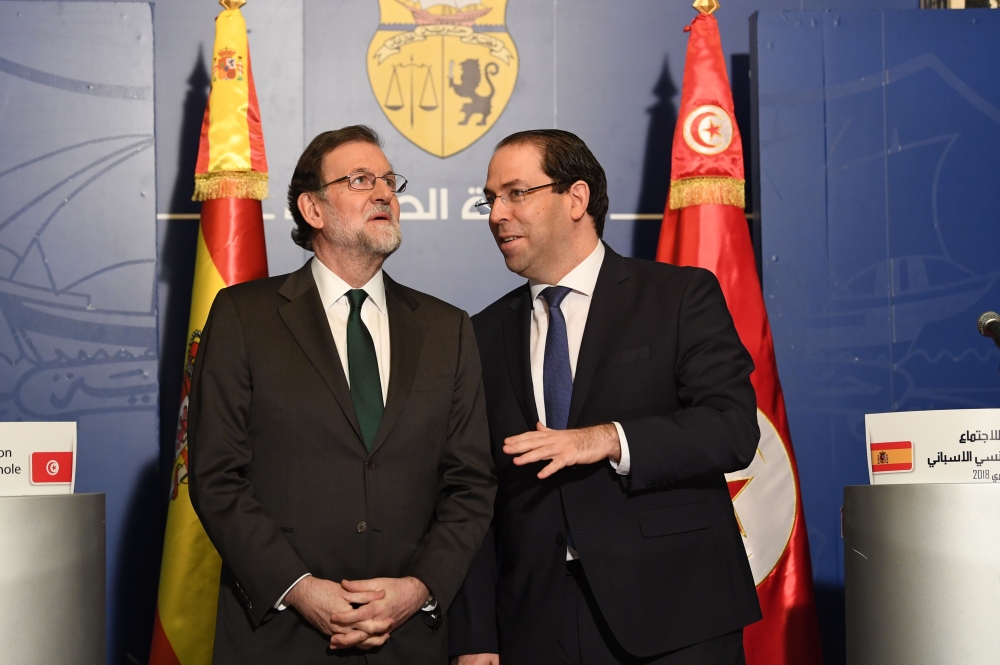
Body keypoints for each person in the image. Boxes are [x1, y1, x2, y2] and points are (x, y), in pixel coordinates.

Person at [448, 129, 762, 665]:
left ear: (576, 198)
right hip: (535, 622)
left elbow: (732, 429)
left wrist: (607, 440)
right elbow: (473, 491)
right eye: (490, 199)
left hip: (674, 611)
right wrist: (476, 636)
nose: (496, 214)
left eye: (515, 193)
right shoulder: (479, 334)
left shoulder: (679, 297)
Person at [189, 125, 495, 664]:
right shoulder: (243, 316)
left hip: (408, 641)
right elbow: (216, 476)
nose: (384, 194)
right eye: (359, 180)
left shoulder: (448, 328)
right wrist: (301, 589)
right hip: (280, 638)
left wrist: (419, 589)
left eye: (388, 181)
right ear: (313, 208)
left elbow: (471, 484)